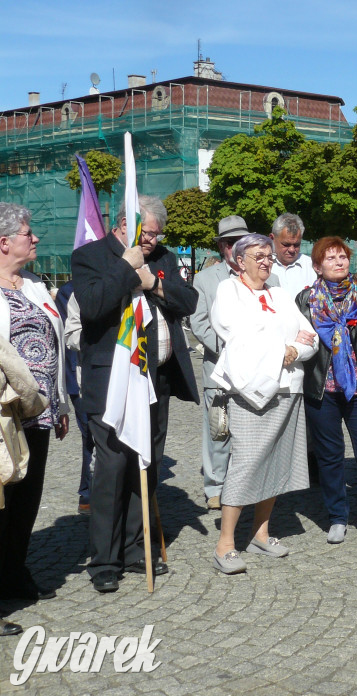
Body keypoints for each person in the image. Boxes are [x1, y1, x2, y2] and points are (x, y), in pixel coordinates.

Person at [72, 195, 199, 593]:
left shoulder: (161, 257)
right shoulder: (90, 255)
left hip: (154, 380)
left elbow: (188, 301)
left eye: (158, 236)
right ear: (125, 224)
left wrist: (155, 284)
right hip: (112, 381)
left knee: (145, 464)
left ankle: (133, 548)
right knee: (111, 467)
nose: (152, 243)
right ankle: (104, 559)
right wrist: (128, 269)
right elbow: (93, 306)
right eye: (147, 235)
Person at [209, 233, 316, 574]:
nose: (267, 261)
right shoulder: (229, 291)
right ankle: (225, 542)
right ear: (240, 260)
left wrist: (294, 349)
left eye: (269, 256)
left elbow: (309, 337)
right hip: (249, 391)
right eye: (259, 256)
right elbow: (238, 336)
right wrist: (284, 345)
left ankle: (260, 531)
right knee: (247, 462)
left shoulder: (281, 295)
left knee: (276, 461)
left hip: (287, 388)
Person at [297, 238, 357, 548]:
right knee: (329, 457)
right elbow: (296, 341)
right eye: (331, 258)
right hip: (322, 391)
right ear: (317, 266)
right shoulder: (306, 301)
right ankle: (337, 516)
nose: (339, 262)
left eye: (343, 257)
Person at [0, 203, 69, 605]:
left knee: (28, 498)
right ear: (5, 242)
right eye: (29, 232)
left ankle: (14, 571)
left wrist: (58, 405)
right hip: (5, 412)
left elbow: (54, 345)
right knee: (3, 500)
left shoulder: (36, 285)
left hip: (39, 410)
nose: (36, 238)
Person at [191, 215, 264, 510]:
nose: (237, 247)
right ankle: (215, 487)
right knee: (218, 431)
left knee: (252, 432)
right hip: (220, 370)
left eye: (242, 241)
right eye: (231, 242)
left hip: (256, 372)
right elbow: (199, 322)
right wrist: (231, 348)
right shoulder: (205, 279)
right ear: (222, 246)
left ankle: (248, 484)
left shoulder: (263, 276)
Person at [54, 281, 92, 514]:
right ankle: (88, 493)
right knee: (91, 435)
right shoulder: (70, 290)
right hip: (80, 376)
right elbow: (64, 337)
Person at [270, 212, 317, 298]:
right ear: (272, 238)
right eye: (286, 244)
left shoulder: (312, 266)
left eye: (296, 245)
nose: (292, 250)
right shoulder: (262, 266)